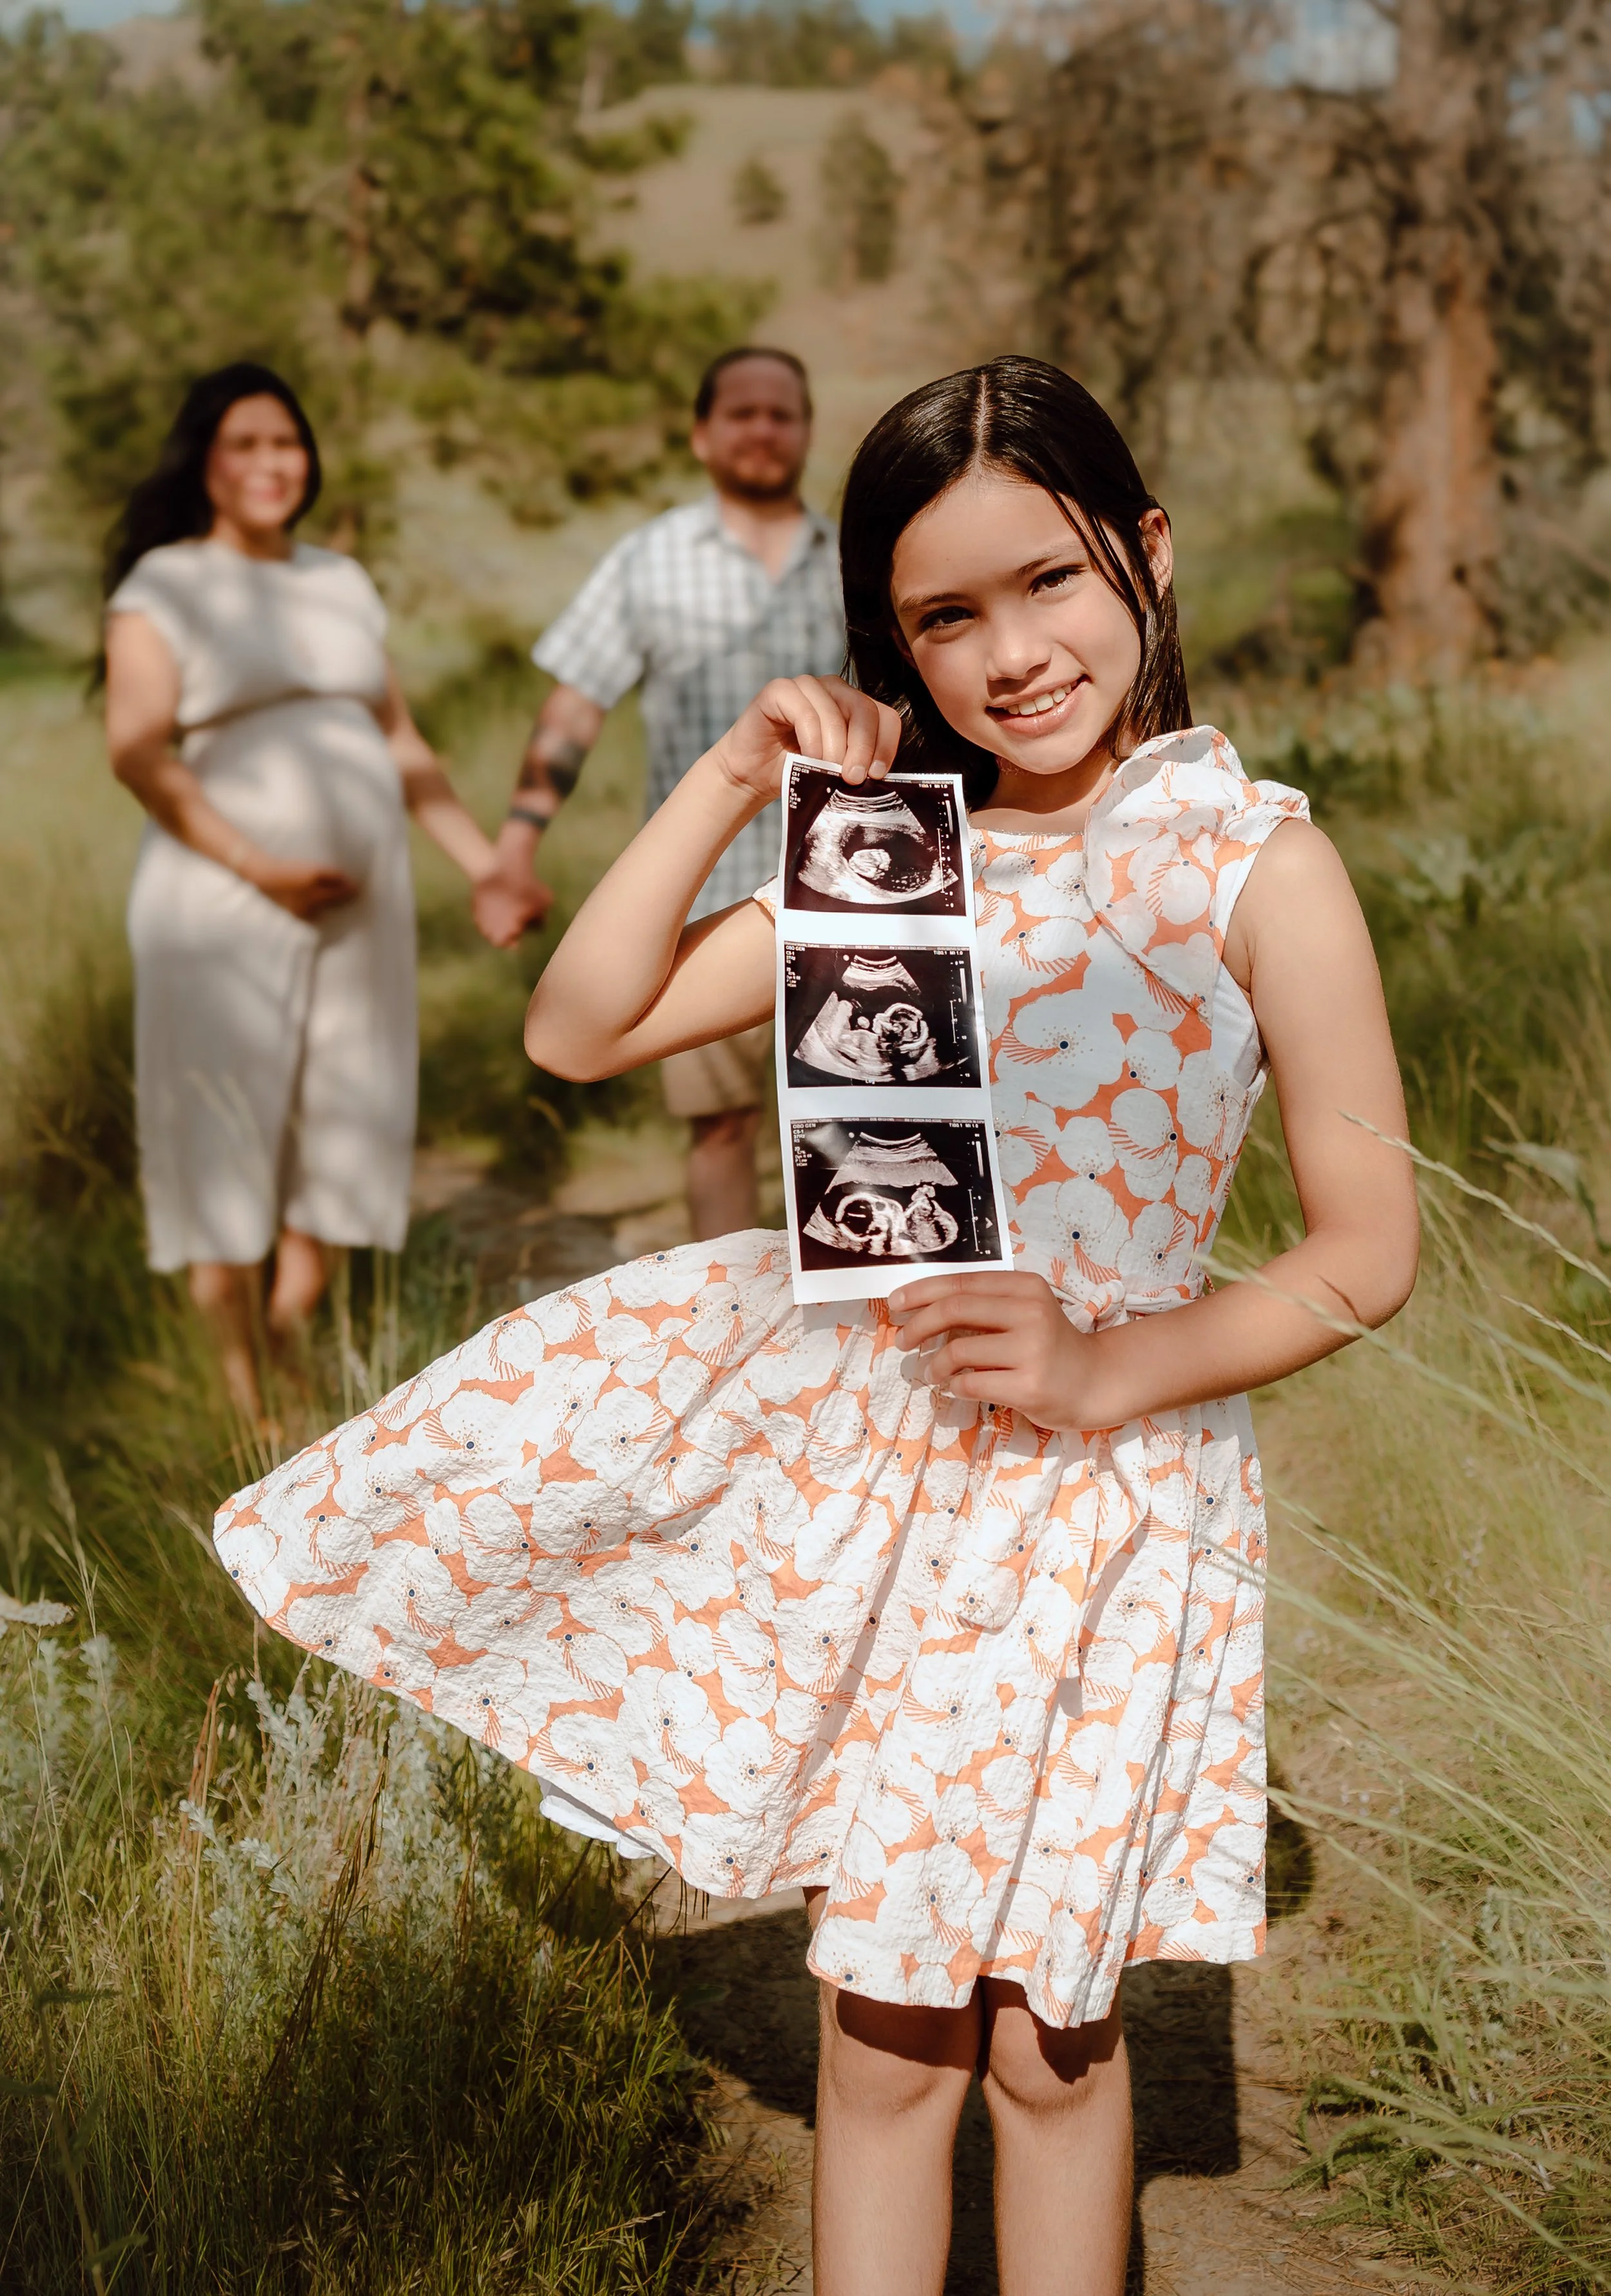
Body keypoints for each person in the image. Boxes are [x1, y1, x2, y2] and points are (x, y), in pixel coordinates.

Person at [215, 357, 1420, 2293]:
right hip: (891, 1491)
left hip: (1113, 1504)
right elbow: (576, 1025)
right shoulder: (886, 863)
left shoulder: (1254, 863)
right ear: (892, 638)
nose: (1011, 651)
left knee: (1054, 2040)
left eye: (1049, 581)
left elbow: (1364, 1248)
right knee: (887, 2034)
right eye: (945, 615)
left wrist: (1111, 1365)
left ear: (1148, 557)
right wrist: (726, 781)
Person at [104, 362, 541, 1425]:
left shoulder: (340, 579)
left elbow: (399, 741)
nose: (269, 463)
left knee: (345, 1112)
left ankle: (294, 1330)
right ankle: (244, 1396)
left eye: (285, 442)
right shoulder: (164, 584)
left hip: (357, 901)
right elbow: (139, 752)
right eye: (244, 443)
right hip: (220, 898)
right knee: (223, 1120)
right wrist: (263, 867)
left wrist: (485, 861)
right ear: (204, 458)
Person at [471, 344, 845, 1241]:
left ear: (806, 430)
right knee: (721, 1128)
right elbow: (574, 709)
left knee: (847, 1137)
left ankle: (844, 1348)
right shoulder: (648, 562)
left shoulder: (852, 558)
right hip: (707, 911)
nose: (763, 429)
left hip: (841, 899)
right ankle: (725, 1330)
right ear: (702, 434)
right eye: (742, 413)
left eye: (781, 413)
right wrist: (516, 844)